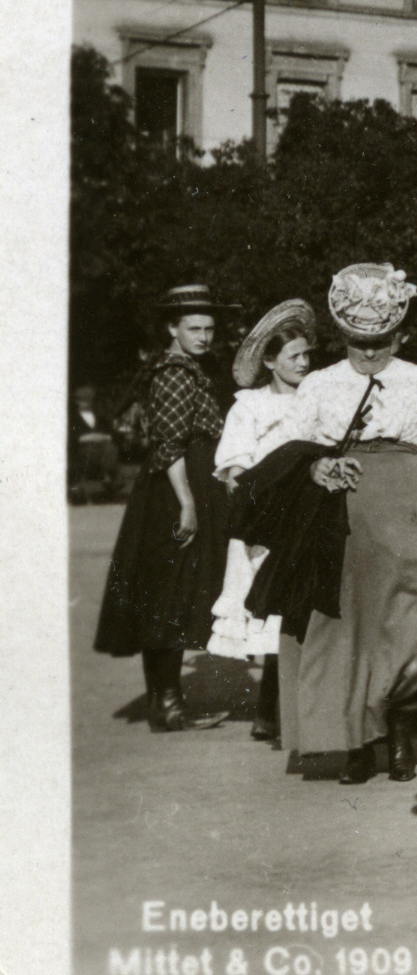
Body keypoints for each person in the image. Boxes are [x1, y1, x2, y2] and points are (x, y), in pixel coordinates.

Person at [282, 265, 417, 783]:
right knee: (349, 627)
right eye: (357, 341)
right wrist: (317, 465)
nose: (369, 353)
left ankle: (399, 732)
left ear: (401, 334)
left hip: (412, 510)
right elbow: (287, 449)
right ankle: (353, 744)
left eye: (381, 341)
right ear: (342, 336)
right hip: (342, 517)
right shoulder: (321, 384)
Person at [95, 283, 232, 734]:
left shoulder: (181, 368)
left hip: (174, 488)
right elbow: (168, 444)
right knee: (174, 591)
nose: (204, 336)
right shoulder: (176, 373)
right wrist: (187, 503)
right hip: (177, 488)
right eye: (194, 327)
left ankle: (164, 705)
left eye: (209, 328)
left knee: (164, 592)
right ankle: (168, 705)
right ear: (172, 328)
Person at [211, 298, 322, 746]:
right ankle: (270, 712)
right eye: (293, 356)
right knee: (271, 610)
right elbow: (235, 469)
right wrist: (260, 505)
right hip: (266, 522)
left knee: (302, 613)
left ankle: (291, 712)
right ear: (271, 361)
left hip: (309, 515)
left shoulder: (318, 399)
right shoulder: (250, 407)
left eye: (306, 354)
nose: (303, 362)